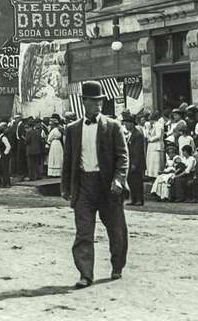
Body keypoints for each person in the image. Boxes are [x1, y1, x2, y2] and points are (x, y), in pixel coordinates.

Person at [60, 81, 128, 289]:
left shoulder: (113, 126)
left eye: (100, 101)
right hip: (84, 185)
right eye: (93, 102)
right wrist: (65, 187)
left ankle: (117, 266)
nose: (98, 105)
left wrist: (119, 179)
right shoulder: (72, 129)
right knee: (83, 232)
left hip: (108, 186)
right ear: (84, 102)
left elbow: (123, 157)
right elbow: (69, 160)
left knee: (116, 230)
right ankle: (85, 274)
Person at [122, 114, 146, 206]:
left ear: (132, 124)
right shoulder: (130, 134)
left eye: (127, 123)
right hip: (131, 161)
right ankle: (134, 198)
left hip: (137, 162)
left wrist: (134, 164)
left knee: (137, 181)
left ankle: (139, 199)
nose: (126, 125)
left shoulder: (137, 134)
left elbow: (137, 151)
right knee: (131, 181)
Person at [143, 111, 165, 178]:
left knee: (156, 160)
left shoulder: (158, 125)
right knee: (151, 160)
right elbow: (147, 135)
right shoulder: (152, 126)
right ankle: (151, 174)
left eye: (151, 120)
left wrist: (151, 139)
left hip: (157, 145)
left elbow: (158, 135)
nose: (150, 121)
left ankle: (156, 174)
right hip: (152, 145)